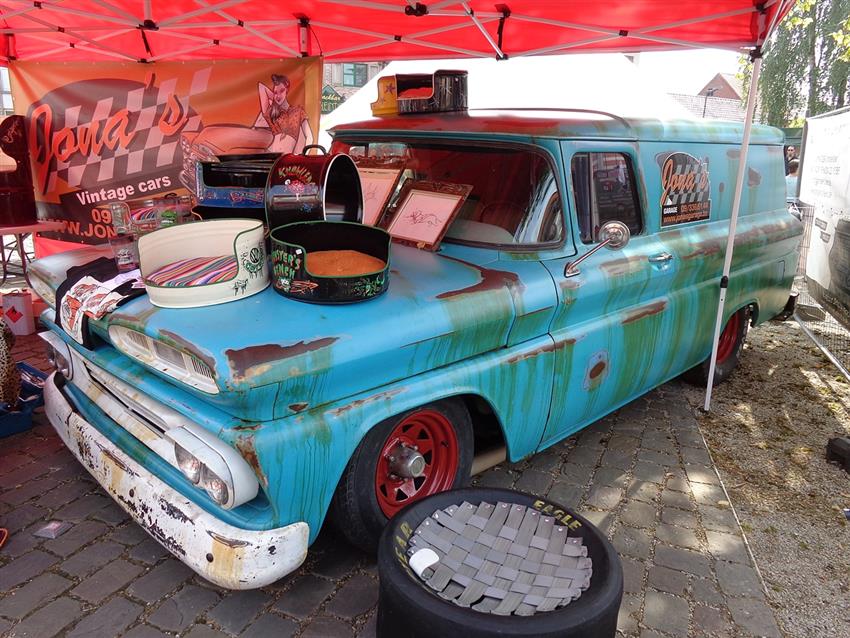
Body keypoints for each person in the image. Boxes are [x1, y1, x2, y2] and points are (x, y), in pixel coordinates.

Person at [255, 74, 314, 154]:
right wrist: (275, 98)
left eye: (282, 90)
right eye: (275, 92)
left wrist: (303, 156)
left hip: (287, 158)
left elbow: (309, 137)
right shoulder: (273, 113)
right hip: (271, 155)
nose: (278, 95)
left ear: (287, 90)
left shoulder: (298, 111)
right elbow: (261, 87)